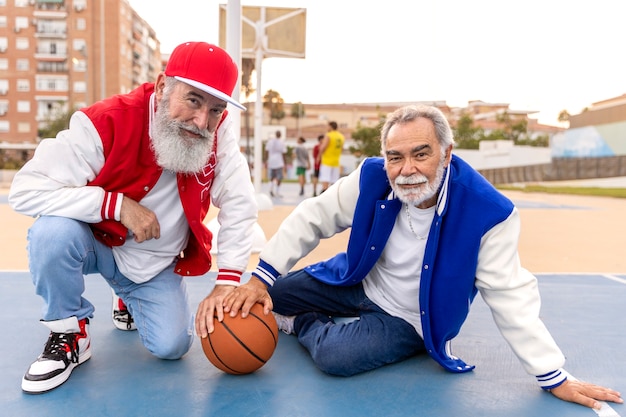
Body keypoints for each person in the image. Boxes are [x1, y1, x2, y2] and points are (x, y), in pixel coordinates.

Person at [221, 104, 623, 410]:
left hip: (411, 316)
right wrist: (260, 279)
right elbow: (312, 217)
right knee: (275, 292)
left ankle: (305, 323)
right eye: (395, 157)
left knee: (335, 356)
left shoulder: (489, 213)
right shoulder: (372, 179)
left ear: (447, 153)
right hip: (358, 283)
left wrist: (552, 374)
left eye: (421, 154)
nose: (406, 169)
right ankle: (302, 309)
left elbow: (510, 294)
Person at [8, 41, 258, 394]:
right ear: (161, 86)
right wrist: (116, 206)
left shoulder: (220, 131)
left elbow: (240, 203)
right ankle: (69, 332)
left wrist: (227, 283)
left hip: (153, 265)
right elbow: (25, 190)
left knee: (173, 347)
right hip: (96, 244)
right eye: (193, 100)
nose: (203, 121)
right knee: (52, 233)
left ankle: (126, 296)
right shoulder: (105, 120)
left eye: (215, 109)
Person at [316, 121, 344, 193]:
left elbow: (323, 147)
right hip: (336, 161)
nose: (327, 128)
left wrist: (318, 156)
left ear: (331, 127)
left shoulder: (329, 135)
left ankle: (324, 192)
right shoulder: (341, 136)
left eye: (327, 126)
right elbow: (341, 149)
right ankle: (333, 194)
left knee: (325, 178)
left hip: (327, 160)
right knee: (334, 180)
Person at [265, 130, 286, 197]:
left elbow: (266, 151)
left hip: (271, 161)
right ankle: (277, 192)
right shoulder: (282, 142)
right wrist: (285, 162)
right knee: (279, 177)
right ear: (280, 135)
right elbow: (283, 153)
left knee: (272, 177)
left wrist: (266, 160)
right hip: (279, 162)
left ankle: (271, 189)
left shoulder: (270, 141)